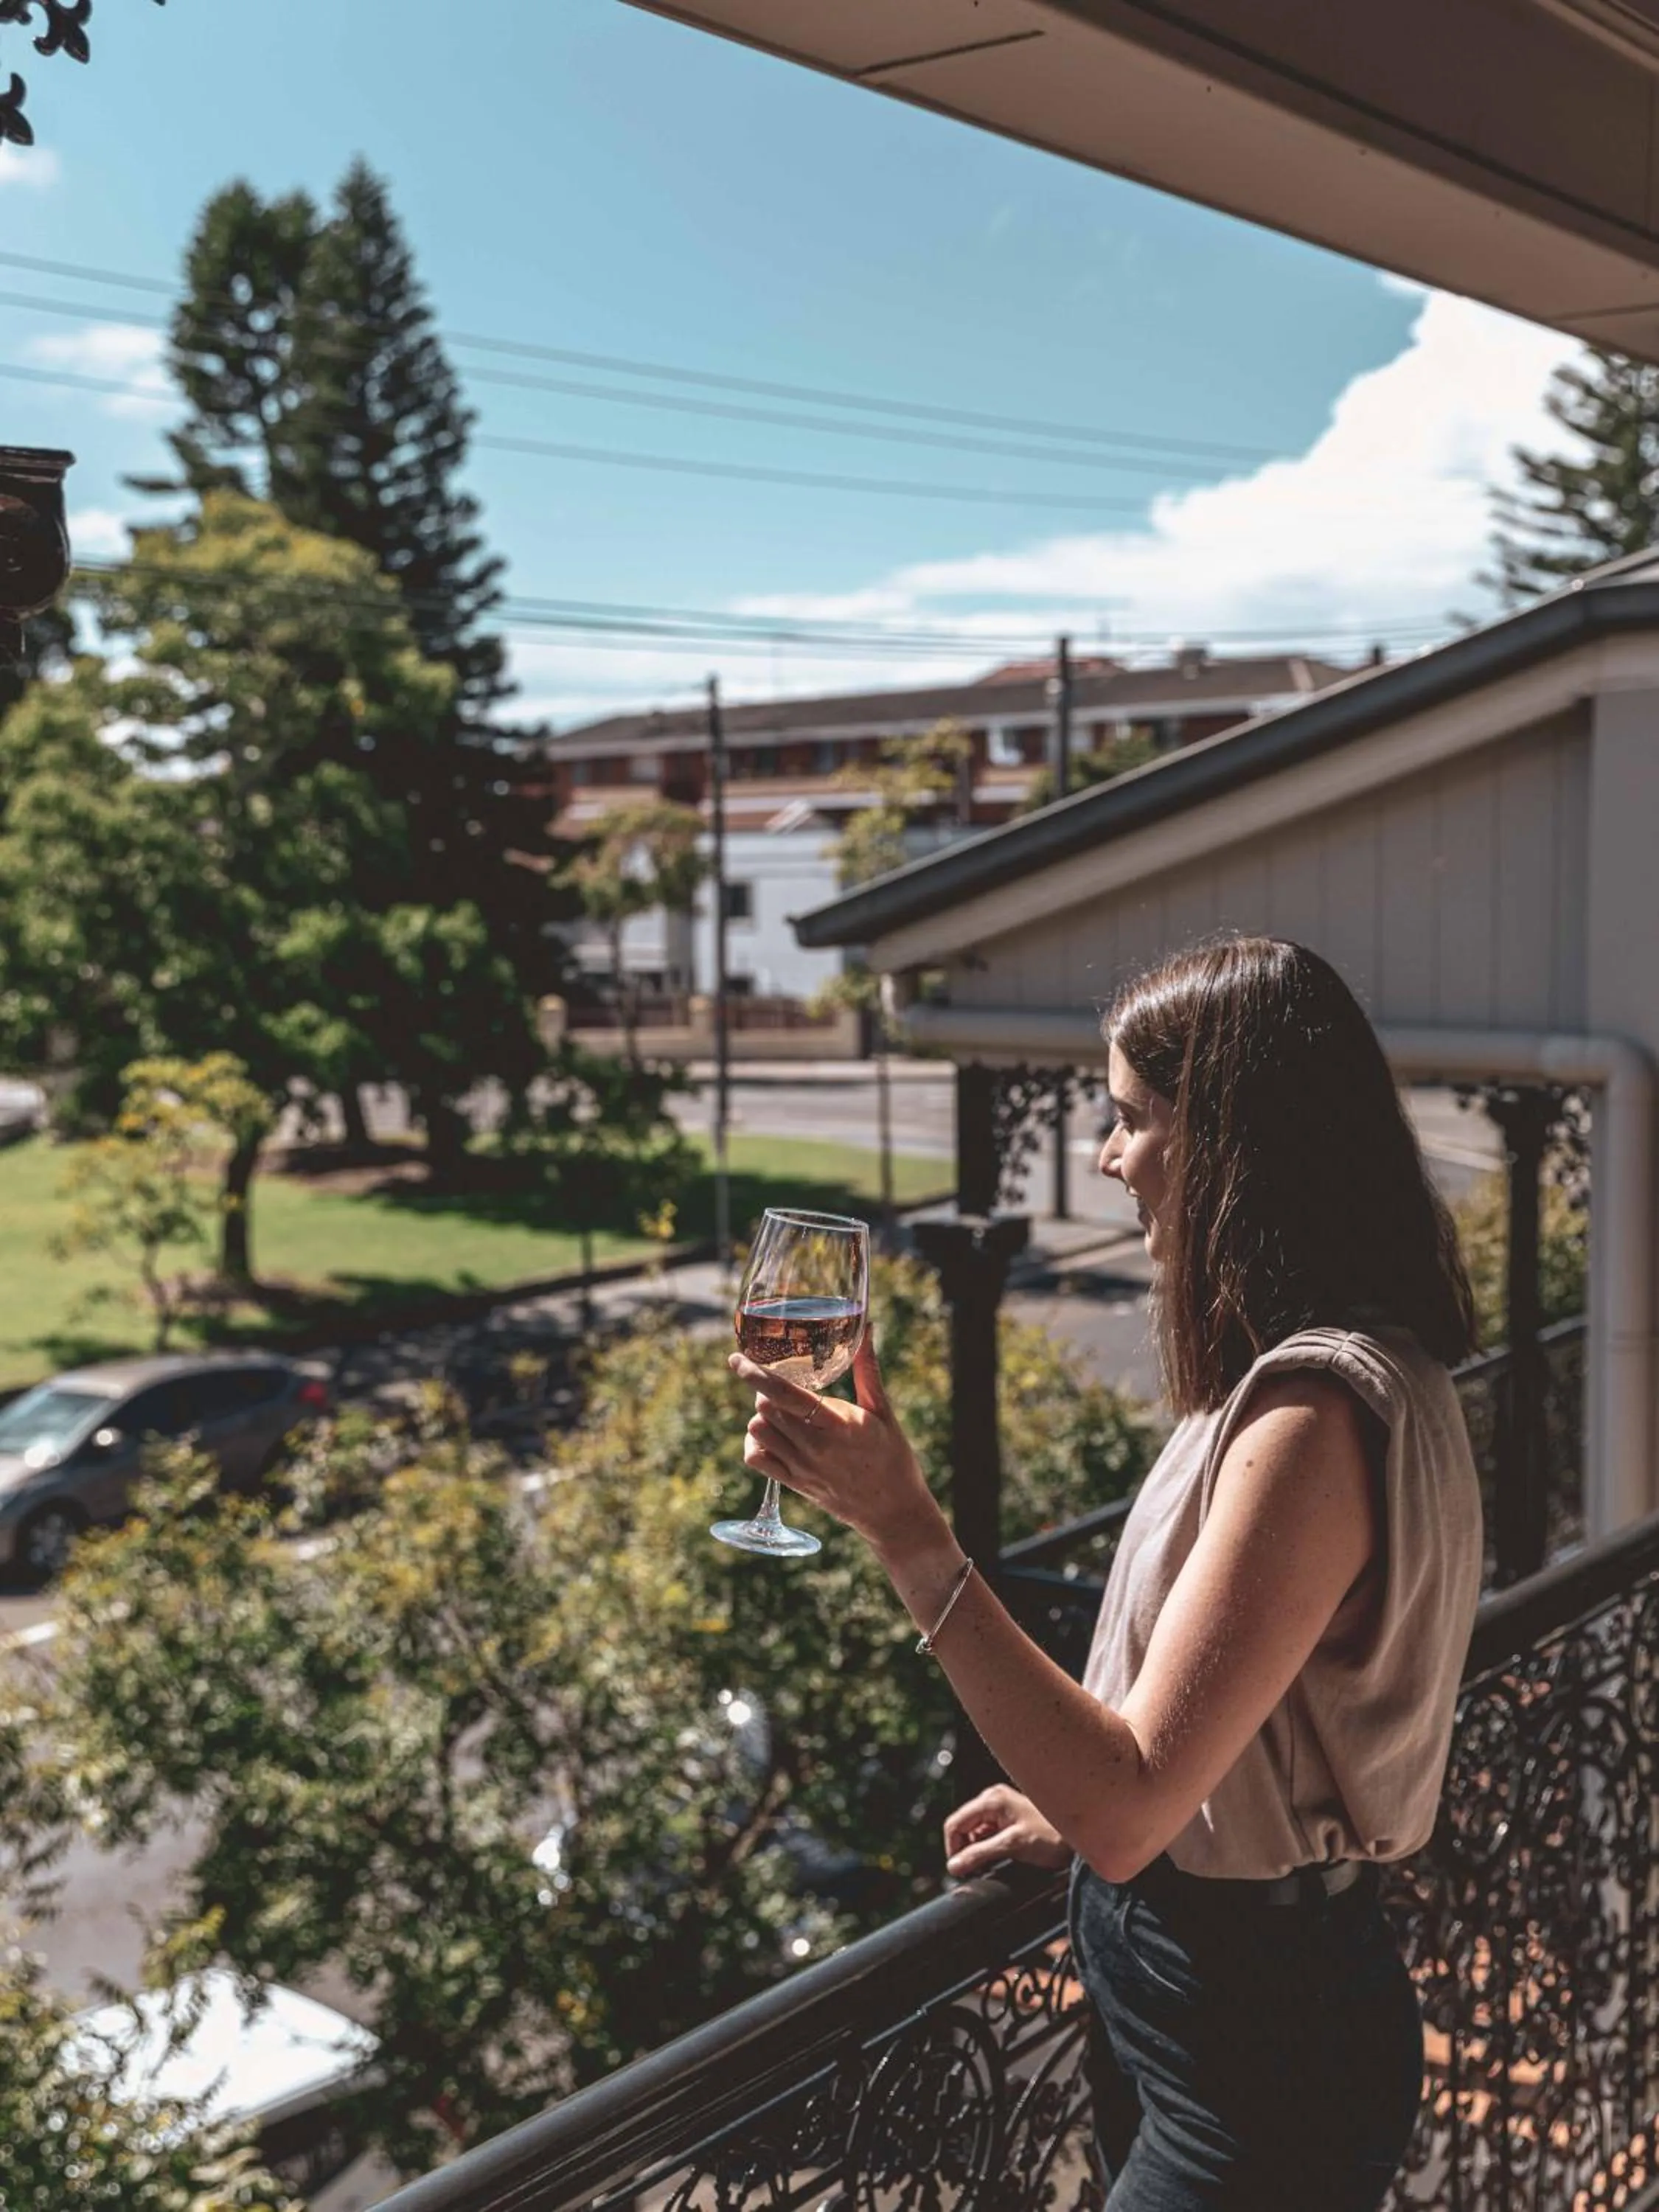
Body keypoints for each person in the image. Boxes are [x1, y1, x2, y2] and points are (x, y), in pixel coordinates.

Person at [730, 935, 1482, 2212]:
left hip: (1257, 2075)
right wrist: (1083, 1815)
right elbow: (1215, 1745)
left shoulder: (1309, 1417)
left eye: (1131, 1119)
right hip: (1226, 2030)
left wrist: (908, 1532)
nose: (1106, 1157)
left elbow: (1130, 1804)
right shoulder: (1325, 1373)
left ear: (1231, 1140)